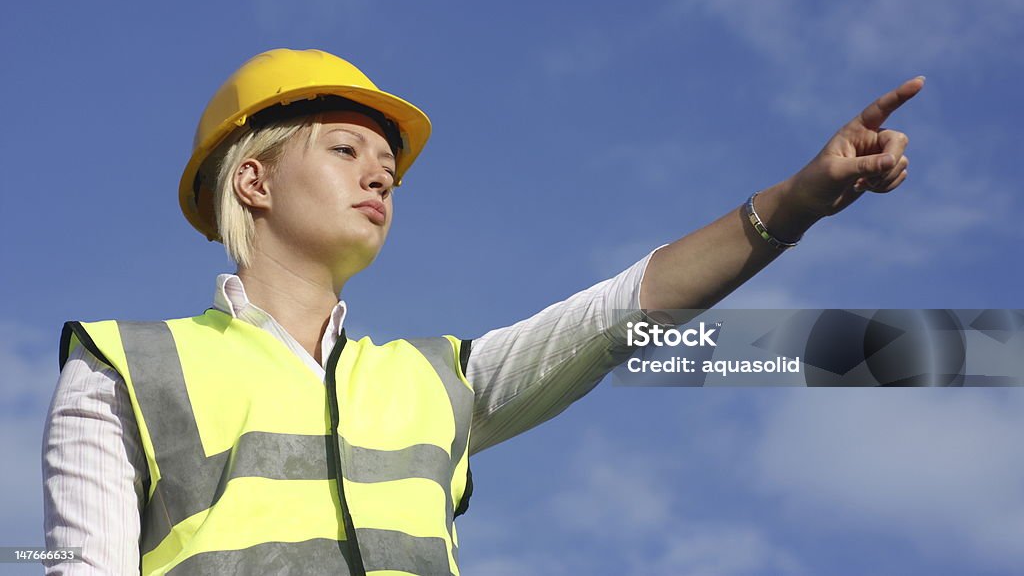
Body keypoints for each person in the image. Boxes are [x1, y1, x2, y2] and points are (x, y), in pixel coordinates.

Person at [42, 48, 920, 575]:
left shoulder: (435, 380)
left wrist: (797, 200)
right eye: (346, 149)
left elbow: (621, 310)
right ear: (253, 179)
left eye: (386, 163)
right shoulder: (124, 366)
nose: (380, 174)